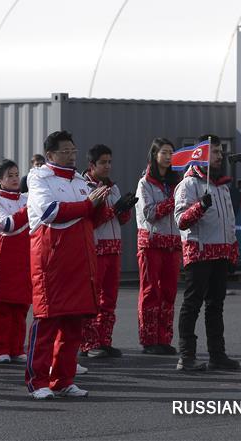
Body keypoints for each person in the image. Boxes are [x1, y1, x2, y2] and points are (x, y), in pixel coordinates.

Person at [25, 131, 110, 399]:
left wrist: (99, 206)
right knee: (47, 324)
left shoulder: (79, 181)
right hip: (53, 262)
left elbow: (88, 220)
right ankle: (37, 382)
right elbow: (50, 212)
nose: (72, 155)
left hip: (80, 262)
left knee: (73, 327)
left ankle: (63, 380)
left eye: (73, 151)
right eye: (65, 151)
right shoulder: (39, 178)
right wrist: (88, 204)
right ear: (50, 155)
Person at [173, 136, 239, 371]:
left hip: (221, 253)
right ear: (200, 155)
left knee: (216, 306)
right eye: (215, 153)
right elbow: (181, 220)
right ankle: (187, 356)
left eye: (220, 152)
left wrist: (232, 251)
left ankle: (217, 355)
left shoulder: (222, 184)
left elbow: (229, 222)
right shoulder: (189, 184)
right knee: (192, 305)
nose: (220, 157)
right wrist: (200, 206)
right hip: (198, 252)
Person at [81, 144, 137, 358]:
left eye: (109, 162)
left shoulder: (113, 187)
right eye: (103, 162)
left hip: (114, 249)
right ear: (91, 165)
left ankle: (104, 340)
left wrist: (125, 209)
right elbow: (89, 221)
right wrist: (114, 209)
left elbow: (120, 220)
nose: (107, 166)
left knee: (109, 299)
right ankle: (89, 343)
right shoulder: (85, 187)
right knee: (92, 298)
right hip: (95, 249)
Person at [135, 138, 182, 355]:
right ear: (155, 155)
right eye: (164, 152)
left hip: (173, 244)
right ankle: (149, 339)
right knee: (150, 291)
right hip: (152, 244)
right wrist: (174, 201)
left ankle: (164, 338)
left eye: (171, 152)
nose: (168, 156)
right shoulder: (144, 183)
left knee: (169, 292)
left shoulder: (176, 182)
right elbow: (150, 214)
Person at [0, 159, 30, 363]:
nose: (14, 179)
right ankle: (1, 348)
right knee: (3, 308)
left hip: (23, 260)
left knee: (21, 307)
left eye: (16, 174)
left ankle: (17, 347)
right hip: (1, 262)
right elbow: (7, 224)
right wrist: (31, 209)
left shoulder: (25, 198)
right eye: (9, 176)